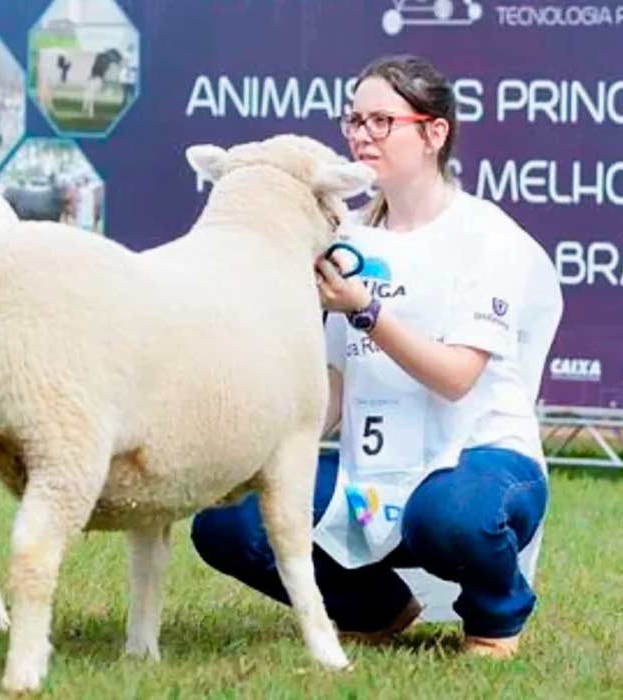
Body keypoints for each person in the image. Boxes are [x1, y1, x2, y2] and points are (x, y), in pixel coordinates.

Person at [190, 54, 560, 659]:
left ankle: (497, 617)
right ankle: (374, 608)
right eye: (354, 120)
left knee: (452, 515)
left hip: (478, 463)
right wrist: (255, 448)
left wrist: (366, 309)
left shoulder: (488, 237)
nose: (362, 135)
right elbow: (334, 383)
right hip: (372, 476)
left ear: (433, 133)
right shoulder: (347, 239)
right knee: (226, 523)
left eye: (381, 121)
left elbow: (458, 377)